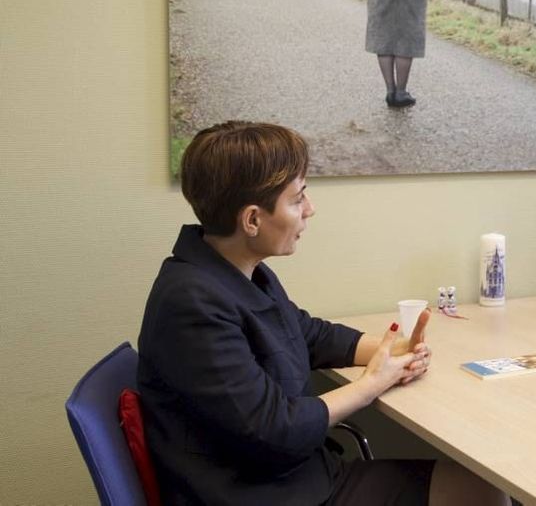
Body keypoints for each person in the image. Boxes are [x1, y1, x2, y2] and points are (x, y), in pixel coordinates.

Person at [137, 121, 507, 505]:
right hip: (262, 494)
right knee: (481, 490)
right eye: (297, 199)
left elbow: (306, 333)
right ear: (251, 220)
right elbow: (276, 429)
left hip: (293, 478)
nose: (310, 210)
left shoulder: (236, 272)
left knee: (483, 486)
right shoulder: (192, 303)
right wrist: (371, 384)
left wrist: (392, 350)